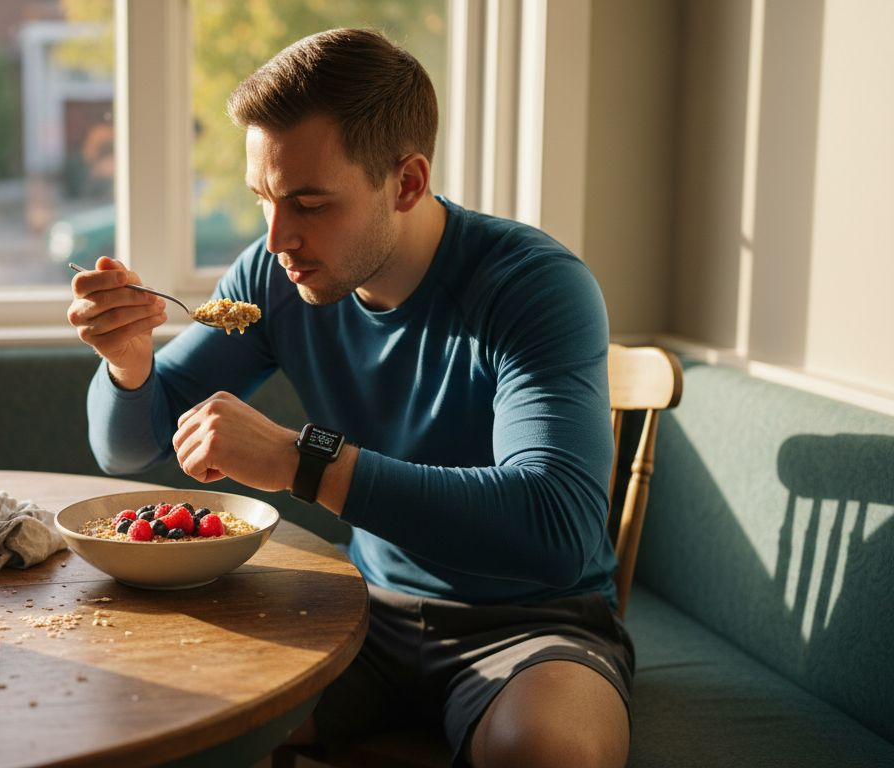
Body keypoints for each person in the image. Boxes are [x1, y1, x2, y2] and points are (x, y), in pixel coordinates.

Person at [66, 27, 631, 768]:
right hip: (360, 610)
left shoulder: (533, 287)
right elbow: (130, 447)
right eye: (263, 199)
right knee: (154, 712)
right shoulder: (278, 279)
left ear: (406, 182)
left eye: (307, 202)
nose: (276, 238)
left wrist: (301, 461)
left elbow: (556, 525)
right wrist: (130, 365)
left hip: (532, 625)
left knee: (550, 753)